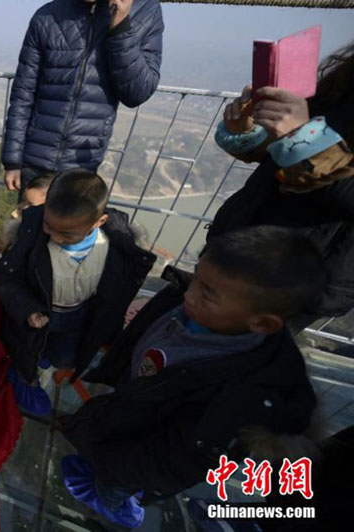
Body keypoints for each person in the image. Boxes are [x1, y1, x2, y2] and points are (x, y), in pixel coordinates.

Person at [57, 226, 322, 528]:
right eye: (196, 278)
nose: (190, 295)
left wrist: (106, 460)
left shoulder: (233, 403)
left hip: (133, 458)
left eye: (207, 294)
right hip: (134, 412)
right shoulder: (195, 311)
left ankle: (112, 507)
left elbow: (168, 463)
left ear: (262, 323)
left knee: (112, 488)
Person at [209, 44, 354, 330]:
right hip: (246, 243)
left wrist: (303, 140)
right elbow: (285, 156)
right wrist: (249, 132)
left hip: (297, 276)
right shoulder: (347, 79)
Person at [0, 169, 154, 416]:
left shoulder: (115, 248)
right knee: (26, 352)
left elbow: (117, 293)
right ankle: (26, 379)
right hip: (36, 316)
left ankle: (45, 356)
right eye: (48, 225)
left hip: (78, 316)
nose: (54, 237)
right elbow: (7, 277)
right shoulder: (31, 235)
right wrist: (28, 308)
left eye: (66, 234)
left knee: (65, 358)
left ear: (98, 222)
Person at [2, 0, 164, 193]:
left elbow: (137, 93)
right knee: (31, 222)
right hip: (34, 162)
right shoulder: (47, 15)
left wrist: (120, 25)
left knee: (69, 223)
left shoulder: (145, 10)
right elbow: (23, 93)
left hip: (83, 164)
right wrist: (12, 160)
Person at [0, 172, 54, 253]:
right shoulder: (13, 231)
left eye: (30, 204)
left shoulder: (48, 248)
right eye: (22, 201)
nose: (19, 206)